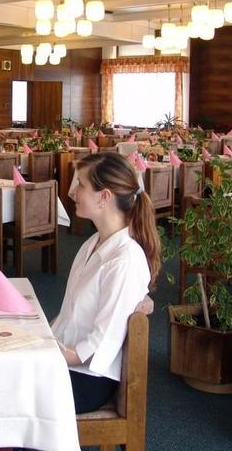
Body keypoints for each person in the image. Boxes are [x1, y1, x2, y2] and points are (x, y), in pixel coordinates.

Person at [51, 152, 162, 414]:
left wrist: (44, 354)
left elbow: (98, 346)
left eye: (81, 185)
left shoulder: (124, 261)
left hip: (87, 378)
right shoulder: (93, 244)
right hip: (67, 360)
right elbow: (70, 317)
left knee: (0, 390)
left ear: (104, 197)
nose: (72, 192)